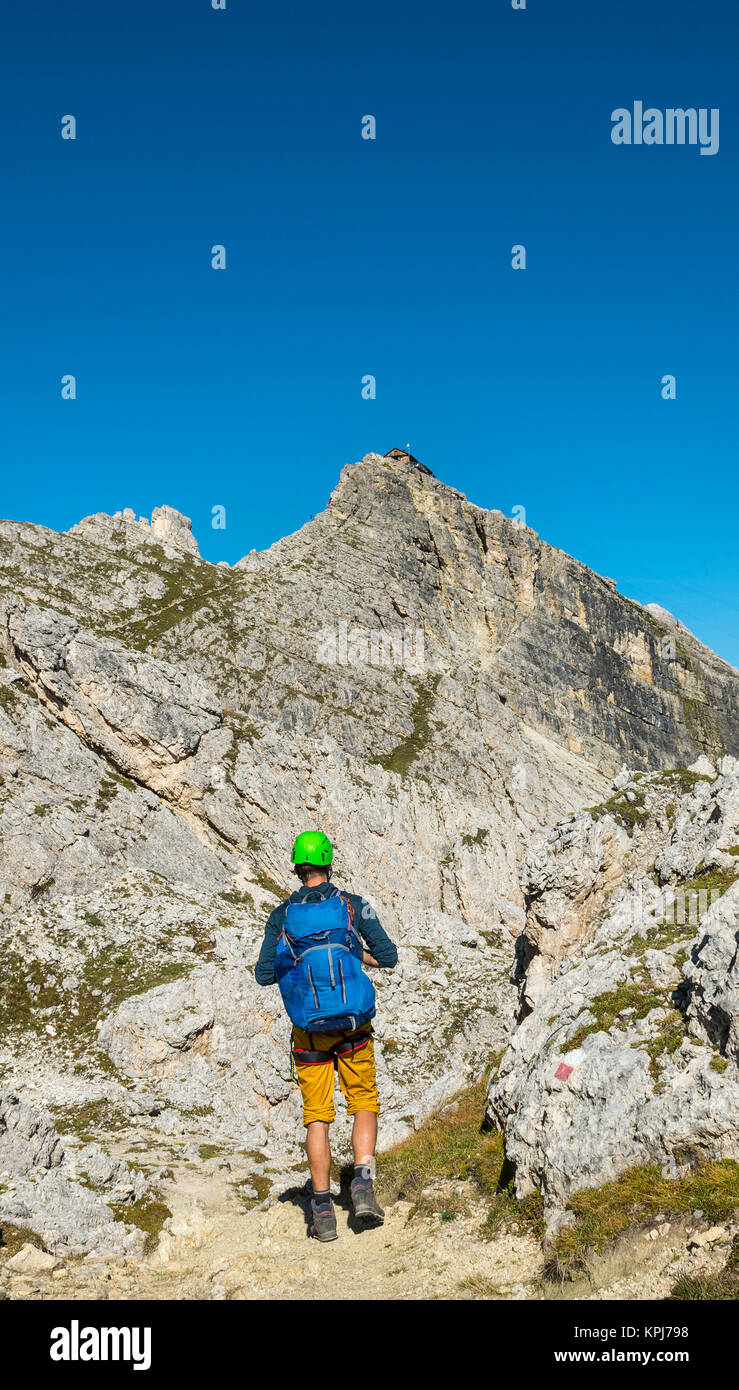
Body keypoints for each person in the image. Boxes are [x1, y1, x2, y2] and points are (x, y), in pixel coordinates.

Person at [255, 831, 398, 1242]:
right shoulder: (354, 905)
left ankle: (321, 1209)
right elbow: (387, 957)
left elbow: (265, 974)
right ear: (330, 862)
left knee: (318, 1116)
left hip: (309, 1034)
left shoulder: (281, 915)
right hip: (353, 1027)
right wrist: (352, 952)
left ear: (297, 867)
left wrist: (298, 963)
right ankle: (363, 1185)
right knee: (364, 1101)